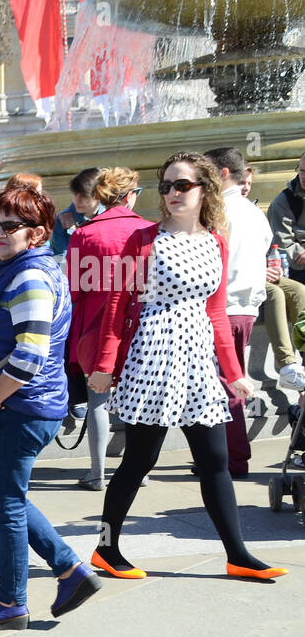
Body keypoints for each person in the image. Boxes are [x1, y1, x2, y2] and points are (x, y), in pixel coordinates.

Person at [88, 151, 286, 581]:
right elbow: (117, 304)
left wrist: (234, 373)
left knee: (215, 458)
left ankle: (238, 555)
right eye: (165, 186)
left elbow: (216, 314)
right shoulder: (142, 240)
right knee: (139, 461)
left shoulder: (217, 241)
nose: (172, 193)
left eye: (182, 185)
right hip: (153, 356)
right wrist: (105, 363)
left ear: (206, 189)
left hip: (197, 362)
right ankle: (105, 547)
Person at [0, 187, 101, 629]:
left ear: (37, 234)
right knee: (5, 497)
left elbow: (30, 355)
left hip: (20, 407)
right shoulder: (19, 270)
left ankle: (11, 601)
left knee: (5, 504)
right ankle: (70, 571)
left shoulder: (28, 277)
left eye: (10, 226)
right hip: (27, 405)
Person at [65, 167, 150, 491]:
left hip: (95, 328)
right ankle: (138, 471)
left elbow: (73, 288)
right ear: (130, 196)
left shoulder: (84, 235)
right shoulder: (148, 230)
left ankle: (97, 473)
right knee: (138, 400)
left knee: (97, 400)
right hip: (139, 324)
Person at [205, 147, 271, 476]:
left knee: (223, 383)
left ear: (224, 173)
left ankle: (231, 458)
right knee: (234, 379)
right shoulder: (255, 212)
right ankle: (225, 454)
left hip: (222, 308)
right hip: (246, 308)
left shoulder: (219, 211)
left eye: (206, 172)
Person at [268, 151, 305, 283]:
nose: (303, 177)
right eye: (301, 170)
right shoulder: (284, 202)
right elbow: (283, 245)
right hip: (297, 269)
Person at [51, 167, 102, 255]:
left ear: (99, 195)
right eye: (75, 194)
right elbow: (62, 257)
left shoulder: (110, 216)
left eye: (84, 196)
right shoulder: (63, 219)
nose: (77, 201)